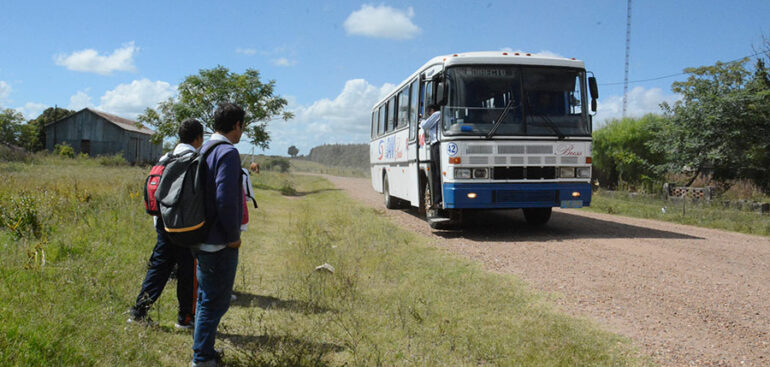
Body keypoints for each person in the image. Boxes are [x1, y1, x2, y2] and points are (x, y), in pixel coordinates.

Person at [128, 119, 204, 329]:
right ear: (199, 138)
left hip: (163, 223)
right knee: (187, 272)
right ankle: (185, 318)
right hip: (186, 227)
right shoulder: (196, 159)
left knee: (158, 269)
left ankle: (138, 311)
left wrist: (159, 225)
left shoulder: (165, 158)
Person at [191, 103, 244, 367]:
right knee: (216, 302)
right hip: (218, 242)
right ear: (237, 125)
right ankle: (201, 358)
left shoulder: (204, 149)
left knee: (204, 298)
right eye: (241, 126)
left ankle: (204, 351)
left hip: (198, 235)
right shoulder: (228, 153)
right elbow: (225, 199)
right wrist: (233, 235)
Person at [420, 104, 442, 208]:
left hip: (437, 145)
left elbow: (425, 125)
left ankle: (437, 200)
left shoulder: (437, 114)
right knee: (434, 173)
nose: (429, 114)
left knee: (437, 173)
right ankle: (436, 200)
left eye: (429, 112)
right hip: (434, 145)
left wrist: (421, 119)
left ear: (432, 110)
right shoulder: (438, 115)